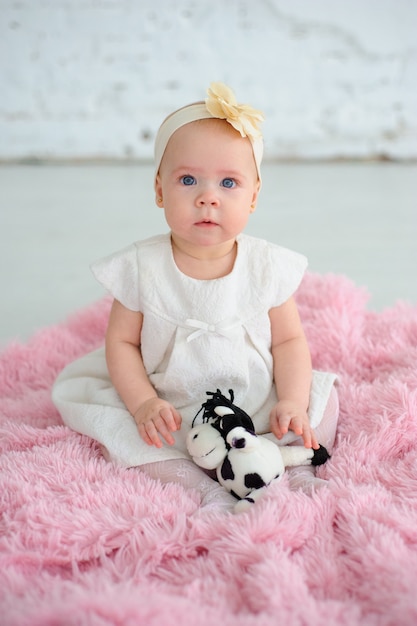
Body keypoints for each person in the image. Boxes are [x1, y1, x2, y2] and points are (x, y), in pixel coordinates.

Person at [52, 82, 338, 513]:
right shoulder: (141, 268)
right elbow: (123, 343)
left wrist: (292, 401)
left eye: (229, 182)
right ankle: (202, 491)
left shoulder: (266, 267)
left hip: (258, 397)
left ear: (254, 196)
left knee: (324, 400)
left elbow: (288, 342)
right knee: (132, 437)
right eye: (188, 180)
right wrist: (145, 402)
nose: (208, 197)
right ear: (159, 190)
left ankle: (296, 469)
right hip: (173, 402)